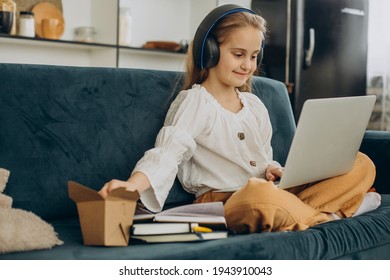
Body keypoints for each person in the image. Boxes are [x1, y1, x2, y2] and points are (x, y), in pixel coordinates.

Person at [99, 4, 381, 233]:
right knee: (261, 198)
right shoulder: (195, 101)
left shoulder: (255, 105)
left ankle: (300, 215)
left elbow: (264, 157)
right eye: (238, 54)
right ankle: (328, 215)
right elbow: (167, 152)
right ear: (208, 50)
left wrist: (274, 169)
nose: (247, 65)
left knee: (360, 163)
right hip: (231, 202)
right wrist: (133, 185)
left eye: (254, 56)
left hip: (272, 190)